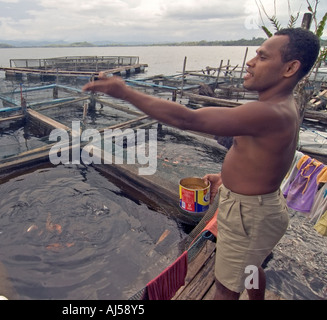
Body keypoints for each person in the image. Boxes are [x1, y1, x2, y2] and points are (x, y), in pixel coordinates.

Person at [83, 28, 320, 300]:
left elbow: (188, 119)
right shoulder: (280, 108)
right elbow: (267, 160)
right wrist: (226, 177)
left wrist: (125, 92)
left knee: (224, 288)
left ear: (290, 68)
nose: (250, 62)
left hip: (249, 216)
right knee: (251, 266)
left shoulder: (268, 112)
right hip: (259, 208)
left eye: (263, 57)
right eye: (255, 54)